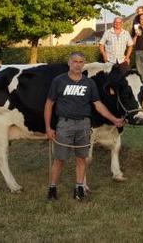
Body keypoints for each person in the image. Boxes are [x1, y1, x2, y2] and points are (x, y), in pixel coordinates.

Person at [44, 52, 124, 201]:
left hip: (84, 125)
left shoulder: (89, 83)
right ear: (69, 63)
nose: (78, 65)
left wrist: (114, 119)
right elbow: (49, 104)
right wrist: (48, 127)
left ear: (83, 64)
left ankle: (79, 187)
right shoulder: (59, 81)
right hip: (64, 124)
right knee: (59, 159)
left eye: (81, 62)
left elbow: (98, 105)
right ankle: (53, 188)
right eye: (75, 61)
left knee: (82, 158)